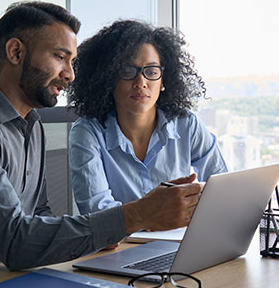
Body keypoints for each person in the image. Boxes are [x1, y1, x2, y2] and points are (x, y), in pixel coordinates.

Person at [0, 1, 203, 270]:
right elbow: (15, 242)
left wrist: (97, 234)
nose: (70, 74)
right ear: (15, 52)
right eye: (59, 57)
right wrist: (140, 214)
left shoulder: (32, 123)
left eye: (72, 61)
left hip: (9, 275)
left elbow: (39, 215)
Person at [68, 20, 227, 215]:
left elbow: (222, 188)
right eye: (128, 71)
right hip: (120, 245)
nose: (141, 82)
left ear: (163, 81)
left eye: (151, 72)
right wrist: (149, 217)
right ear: (108, 78)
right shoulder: (87, 132)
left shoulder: (187, 124)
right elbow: (97, 213)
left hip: (182, 240)